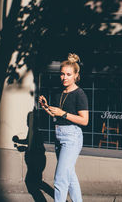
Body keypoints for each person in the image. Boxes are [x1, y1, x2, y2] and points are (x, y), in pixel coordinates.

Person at [38, 53, 89, 202]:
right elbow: (57, 116)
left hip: (72, 137)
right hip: (59, 136)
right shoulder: (59, 93)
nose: (64, 77)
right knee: (69, 175)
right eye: (62, 74)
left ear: (75, 75)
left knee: (60, 179)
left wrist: (63, 113)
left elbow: (84, 120)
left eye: (68, 74)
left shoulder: (80, 94)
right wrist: (46, 107)